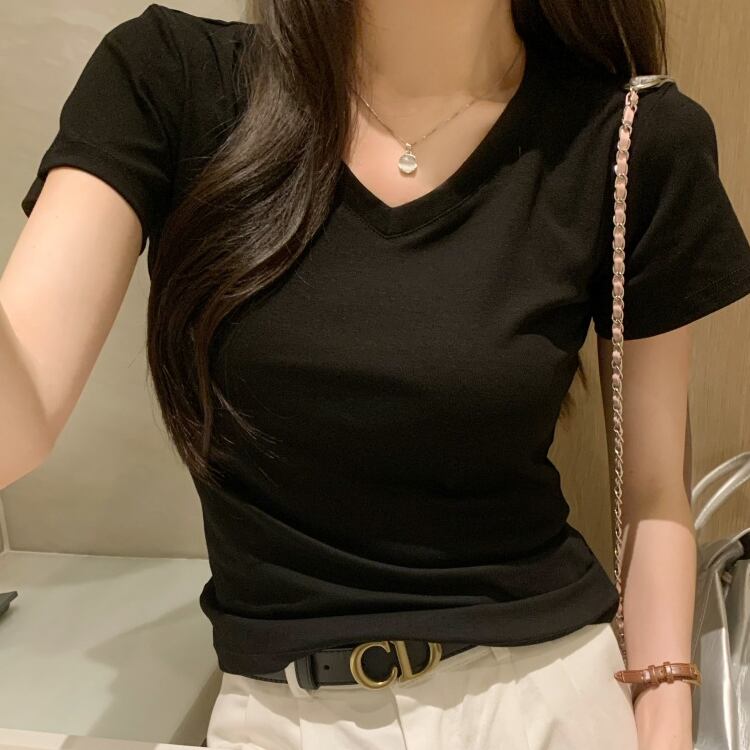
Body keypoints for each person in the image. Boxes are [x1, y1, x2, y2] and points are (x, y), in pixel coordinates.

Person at [4, 1, 750, 748]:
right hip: (285, 716)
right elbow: (21, 412)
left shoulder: (630, 135)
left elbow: (654, 494)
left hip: (547, 700)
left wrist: (664, 716)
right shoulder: (173, 80)